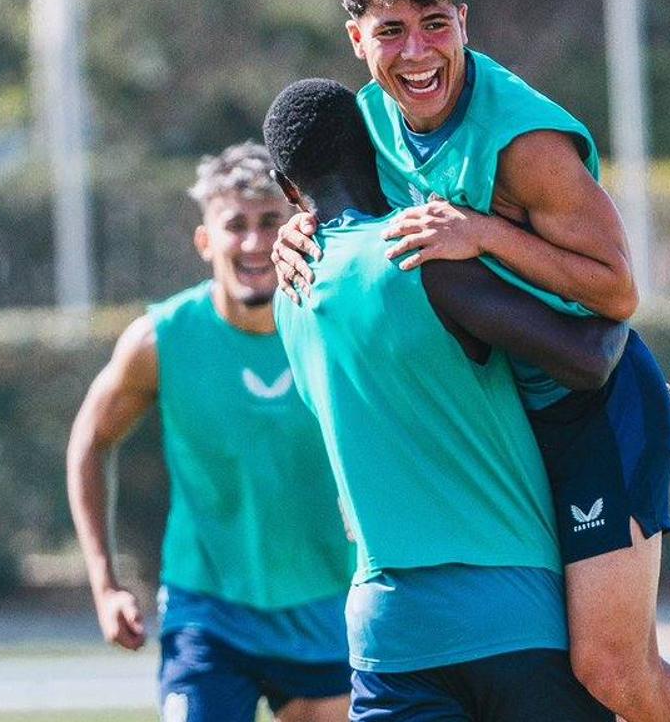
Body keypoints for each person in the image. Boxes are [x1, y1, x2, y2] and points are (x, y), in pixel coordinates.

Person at [271, 0, 670, 721]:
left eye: (436, 26)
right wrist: (296, 231)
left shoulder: (525, 141)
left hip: (592, 403)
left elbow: (615, 293)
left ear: (463, 21)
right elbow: (333, 207)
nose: (417, 53)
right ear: (357, 39)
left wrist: (485, 233)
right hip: (511, 414)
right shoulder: (366, 125)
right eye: (392, 31)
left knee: (613, 673)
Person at [267, 77, 636, 721]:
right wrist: (620, 306)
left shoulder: (288, 296)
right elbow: (587, 361)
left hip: (387, 633)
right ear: (375, 149)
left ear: (287, 190)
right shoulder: (422, 256)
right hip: (512, 611)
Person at [65, 142, 354, 722]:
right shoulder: (160, 340)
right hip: (208, 615)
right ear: (205, 241)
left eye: (270, 222)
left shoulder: (338, 327)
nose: (253, 243)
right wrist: (105, 583)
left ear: (298, 227)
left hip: (327, 610)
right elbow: (90, 443)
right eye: (235, 226)